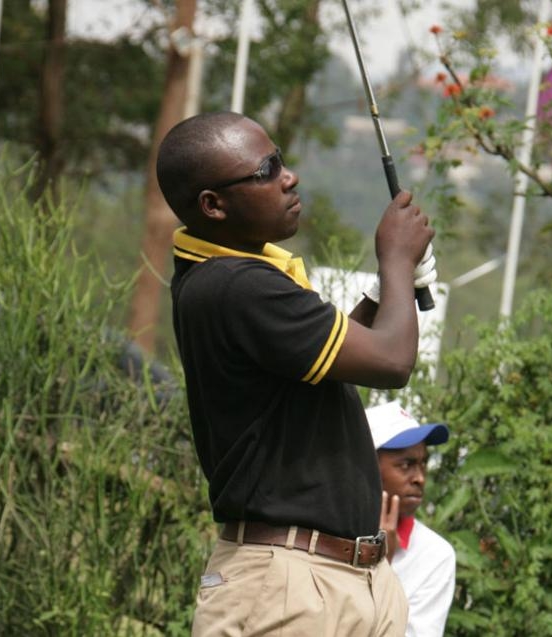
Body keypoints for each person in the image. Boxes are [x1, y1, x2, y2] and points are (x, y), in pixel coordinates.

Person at [157, 111, 435, 636]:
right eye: (265, 171)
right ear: (213, 205)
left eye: (280, 159)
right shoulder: (235, 285)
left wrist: (382, 291)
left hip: (343, 580)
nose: (289, 177)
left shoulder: (238, 279)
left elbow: (334, 366)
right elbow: (391, 362)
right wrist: (396, 261)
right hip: (287, 587)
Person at [367, 400, 456, 637]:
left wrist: (382, 566)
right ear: (367, 467)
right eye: (406, 465)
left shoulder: (435, 555)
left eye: (423, 463)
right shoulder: (324, 536)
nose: (420, 478)